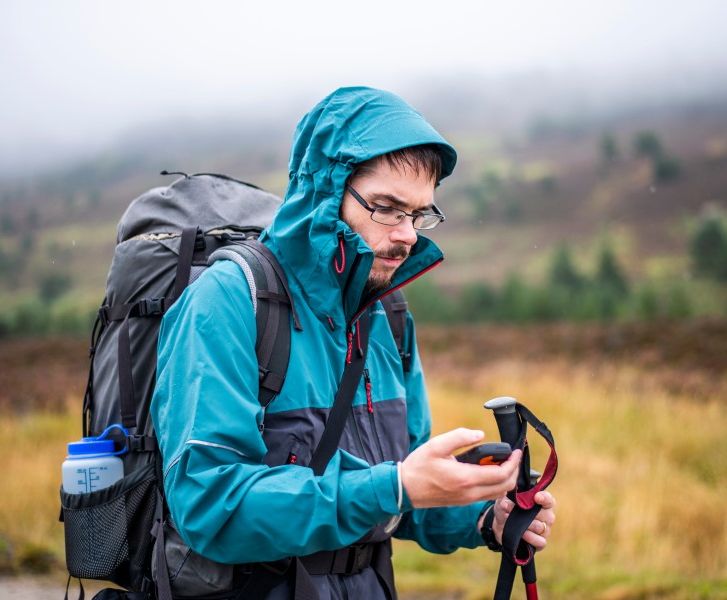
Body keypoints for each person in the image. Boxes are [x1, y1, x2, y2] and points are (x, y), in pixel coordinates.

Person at [151, 86, 556, 599]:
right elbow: (210, 506)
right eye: (387, 208)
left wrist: (484, 520)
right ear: (326, 191)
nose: (408, 234)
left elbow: (406, 491)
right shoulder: (228, 302)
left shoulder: (386, 316)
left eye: (419, 214)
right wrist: (392, 488)